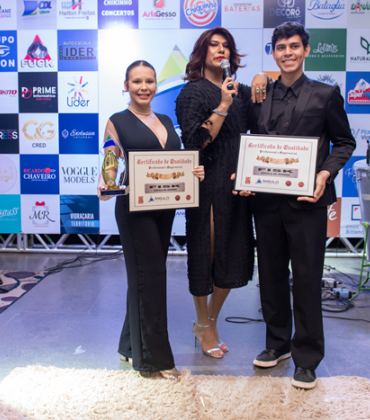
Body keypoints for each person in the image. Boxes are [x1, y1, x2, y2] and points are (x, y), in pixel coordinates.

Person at [242, 22, 356, 389]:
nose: (287, 52)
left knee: (306, 280)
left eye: (294, 46)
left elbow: (345, 142)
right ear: (273, 53)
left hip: (308, 203)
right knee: (271, 276)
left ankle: (307, 359)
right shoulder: (257, 94)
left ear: (306, 50)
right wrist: (243, 175)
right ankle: (277, 344)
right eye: (281, 47)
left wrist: (325, 173)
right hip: (266, 202)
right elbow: (248, 142)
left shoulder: (326, 94)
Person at [98, 60, 205, 381]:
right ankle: (153, 360)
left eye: (149, 81)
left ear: (156, 85)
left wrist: (194, 171)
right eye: (137, 81)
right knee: (152, 277)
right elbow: (109, 158)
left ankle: (130, 345)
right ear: (126, 86)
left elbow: (174, 162)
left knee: (145, 277)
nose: (144, 87)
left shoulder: (166, 120)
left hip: (165, 206)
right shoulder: (117, 121)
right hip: (135, 209)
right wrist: (106, 181)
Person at [175, 28, 270, 359]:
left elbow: (260, 121)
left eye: (226, 45)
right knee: (207, 253)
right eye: (213, 45)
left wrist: (261, 76)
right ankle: (202, 322)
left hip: (236, 183)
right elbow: (196, 142)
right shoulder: (192, 92)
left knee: (233, 254)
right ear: (202, 52)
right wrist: (224, 104)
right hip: (206, 182)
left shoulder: (240, 90)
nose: (221, 50)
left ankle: (210, 321)